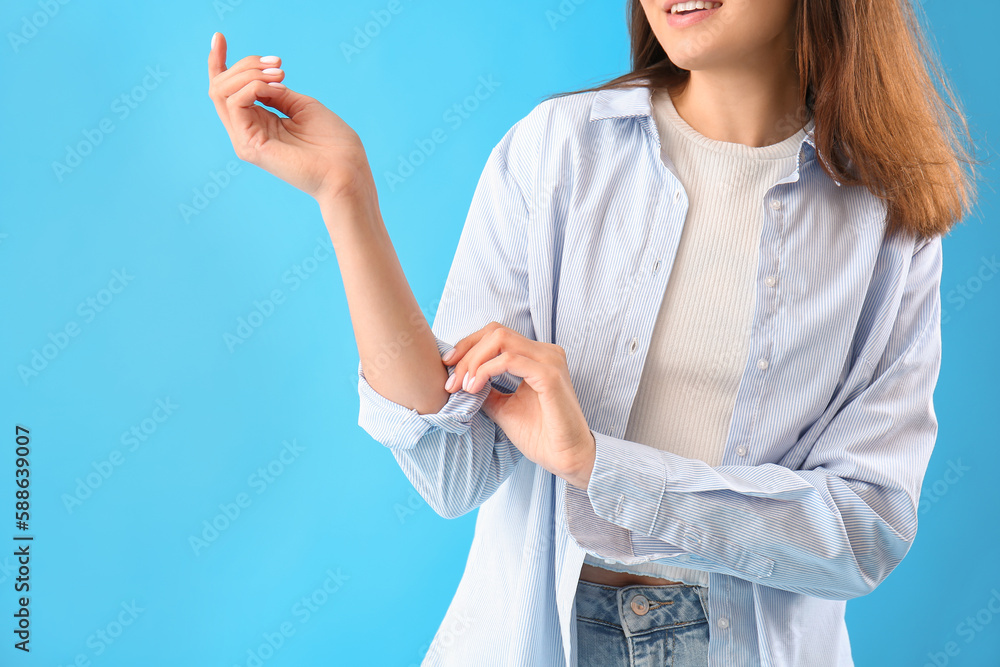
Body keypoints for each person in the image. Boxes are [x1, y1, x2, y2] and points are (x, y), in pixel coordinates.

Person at [206, 0, 978, 663]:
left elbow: (865, 528)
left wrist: (602, 464)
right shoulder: (557, 151)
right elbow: (451, 466)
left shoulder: (888, 219)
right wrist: (346, 194)